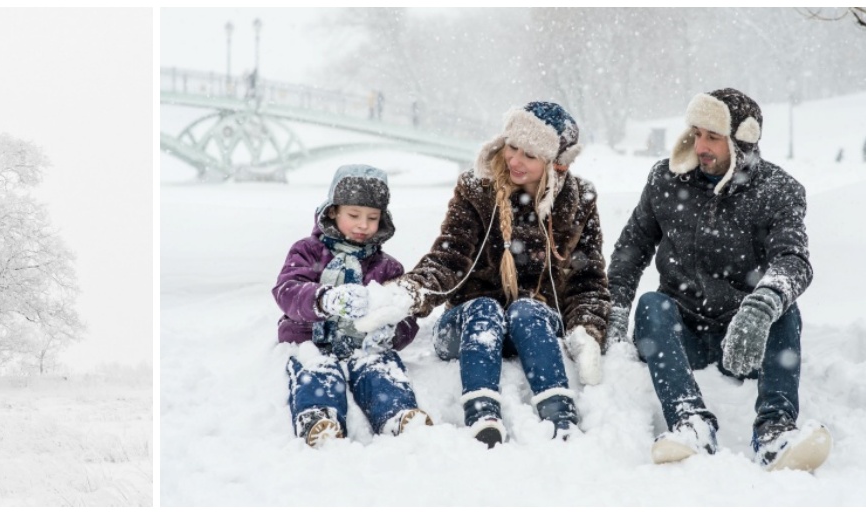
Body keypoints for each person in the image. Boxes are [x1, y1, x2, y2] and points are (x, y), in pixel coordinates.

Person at [607, 88, 827, 471]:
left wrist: (761, 306)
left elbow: (793, 259)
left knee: (784, 309)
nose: (701, 145)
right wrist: (613, 309)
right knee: (650, 305)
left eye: (713, 136)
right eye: (696, 133)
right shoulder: (665, 179)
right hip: (681, 333)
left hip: (745, 337)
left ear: (741, 142)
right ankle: (690, 422)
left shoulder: (777, 191)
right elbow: (631, 249)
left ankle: (775, 431)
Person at [390, 101, 610, 448]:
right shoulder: (477, 188)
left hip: (532, 327)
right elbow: (450, 257)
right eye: (512, 146)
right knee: (485, 309)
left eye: (530, 155)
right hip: (468, 326)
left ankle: (559, 414)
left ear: (556, 164)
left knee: (527, 309)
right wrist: (411, 291)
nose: (514, 160)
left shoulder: (580, 199)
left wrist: (587, 328)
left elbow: (588, 280)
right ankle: (482, 413)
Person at [272, 165, 432, 447]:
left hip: (364, 346)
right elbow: (288, 290)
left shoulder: (387, 267)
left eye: (372, 218)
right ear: (333, 211)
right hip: (311, 340)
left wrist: (392, 332)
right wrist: (324, 299)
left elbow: (404, 314)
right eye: (354, 215)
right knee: (317, 370)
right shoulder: (307, 251)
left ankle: (397, 414)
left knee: (380, 368)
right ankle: (319, 417)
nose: (363, 225)